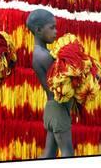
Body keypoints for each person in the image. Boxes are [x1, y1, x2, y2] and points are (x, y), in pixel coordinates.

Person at [26, 9, 74, 158]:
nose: (56, 31)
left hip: (52, 108)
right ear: (39, 30)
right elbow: (65, 80)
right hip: (57, 109)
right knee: (67, 152)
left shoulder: (41, 53)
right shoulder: (43, 56)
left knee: (49, 154)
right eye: (52, 27)